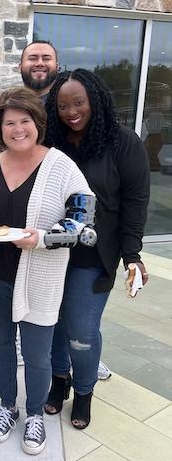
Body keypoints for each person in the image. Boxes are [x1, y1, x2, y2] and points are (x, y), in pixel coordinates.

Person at [0, 87, 94, 455]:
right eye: (9, 123)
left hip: (40, 278)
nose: (17, 129)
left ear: (37, 123)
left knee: (37, 354)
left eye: (25, 121)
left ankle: (34, 413)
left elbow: (83, 219)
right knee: (2, 343)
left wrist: (47, 238)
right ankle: (7, 405)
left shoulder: (61, 166)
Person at [0, 41, 112, 380]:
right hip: (10, 251)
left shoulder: (65, 116)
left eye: (46, 57)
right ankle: (38, 374)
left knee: (71, 319)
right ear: (22, 64)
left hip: (67, 241)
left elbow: (83, 208)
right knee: (16, 330)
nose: (18, 129)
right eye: (32, 57)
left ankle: (75, 366)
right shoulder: (3, 111)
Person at [44, 69, 150, 429]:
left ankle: (85, 391)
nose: (71, 111)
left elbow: (136, 201)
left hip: (95, 254)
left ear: (95, 101)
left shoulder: (123, 142)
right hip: (53, 249)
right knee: (54, 324)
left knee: (82, 331)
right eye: (62, 105)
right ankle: (60, 381)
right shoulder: (51, 141)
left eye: (78, 103)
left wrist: (132, 254)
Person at [0, 41, 58, 138]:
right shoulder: (3, 106)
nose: (40, 63)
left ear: (57, 66)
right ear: (20, 67)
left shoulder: (66, 106)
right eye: (33, 58)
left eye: (46, 58)